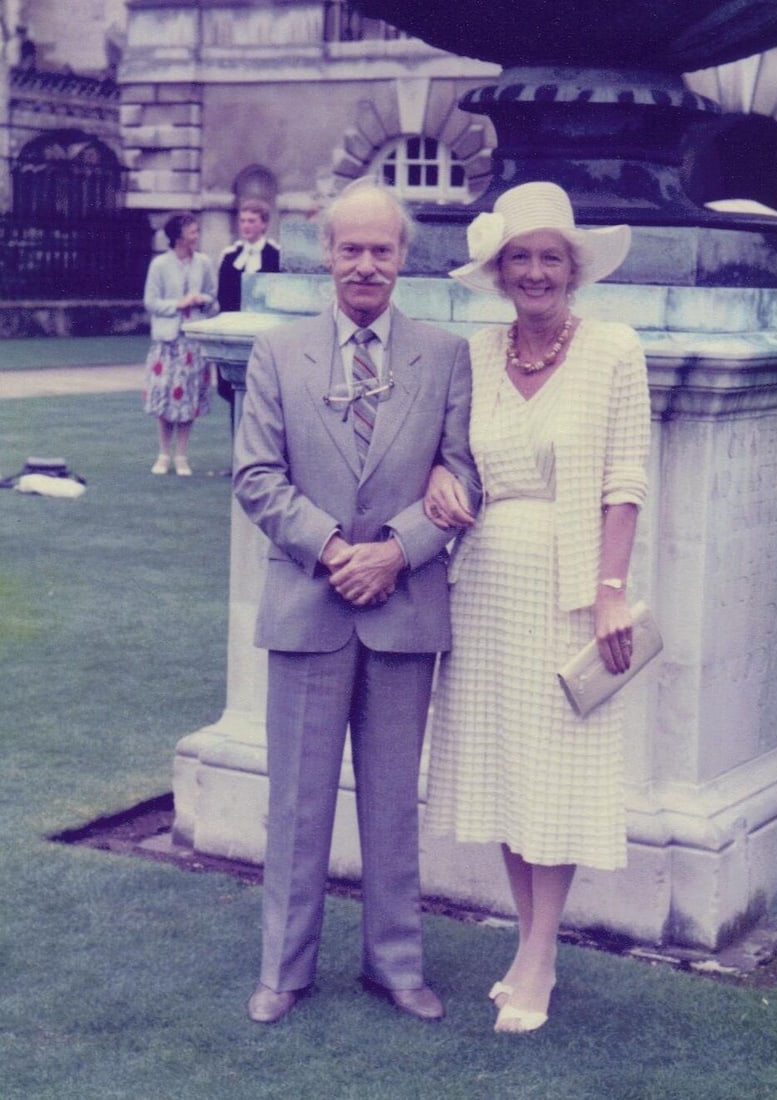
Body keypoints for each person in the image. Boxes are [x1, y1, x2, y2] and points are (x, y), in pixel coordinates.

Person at [233, 178, 480, 1026]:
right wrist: (339, 553)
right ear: (325, 255)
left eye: (382, 250)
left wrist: (399, 550)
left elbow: (465, 476)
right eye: (351, 249)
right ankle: (283, 969)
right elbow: (256, 477)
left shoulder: (447, 356)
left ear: (404, 257)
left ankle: (396, 966)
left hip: (404, 613)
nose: (366, 265)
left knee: (390, 805)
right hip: (309, 606)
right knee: (297, 803)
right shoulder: (277, 354)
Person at [422, 182, 651, 1034]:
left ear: (573, 268)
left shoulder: (614, 350)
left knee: (555, 776)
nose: (535, 271)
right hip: (482, 585)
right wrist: (438, 480)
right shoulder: (476, 354)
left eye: (550, 256)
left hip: (569, 589)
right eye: (519, 257)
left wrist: (609, 594)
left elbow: (625, 482)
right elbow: (445, 456)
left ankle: (541, 958)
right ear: (498, 269)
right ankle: (528, 946)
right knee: (508, 773)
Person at [143, 212, 217, 476]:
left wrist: (202, 300)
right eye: (192, 232)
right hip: (168, 340)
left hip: (193, 340)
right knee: (164, 397)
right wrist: (178, 304)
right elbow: (151, 302)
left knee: (188, 399)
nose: (196, 236)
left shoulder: (204, 263)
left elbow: (213, 298)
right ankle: (163, 454)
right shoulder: (160, 265)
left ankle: (182, 455)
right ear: (178, 236)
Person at [217, 200, 281, 432]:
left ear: (264, 224)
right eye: (243, 220)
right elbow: (223, 298)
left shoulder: (275, 256)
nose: (246, 225)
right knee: (232, 393)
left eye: (252, 221)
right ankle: (236, 460)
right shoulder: (229, 255)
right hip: (234, 334)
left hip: (265, 336)